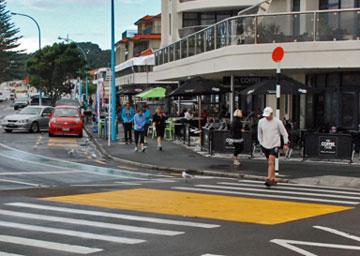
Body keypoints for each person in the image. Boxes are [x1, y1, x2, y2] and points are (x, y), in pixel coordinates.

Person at [258, 107, 289, 187]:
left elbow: (284, 133)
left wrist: (285, 143)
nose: (267, 117)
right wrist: (261, 142)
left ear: (272, 114)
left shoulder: (278, 122)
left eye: (268, 115)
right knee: (270, 163)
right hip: (265, 144)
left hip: (275, 144)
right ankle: (274, 178)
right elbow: (259, 134)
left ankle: (268, 178)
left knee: (271, 161)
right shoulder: (261, 122)